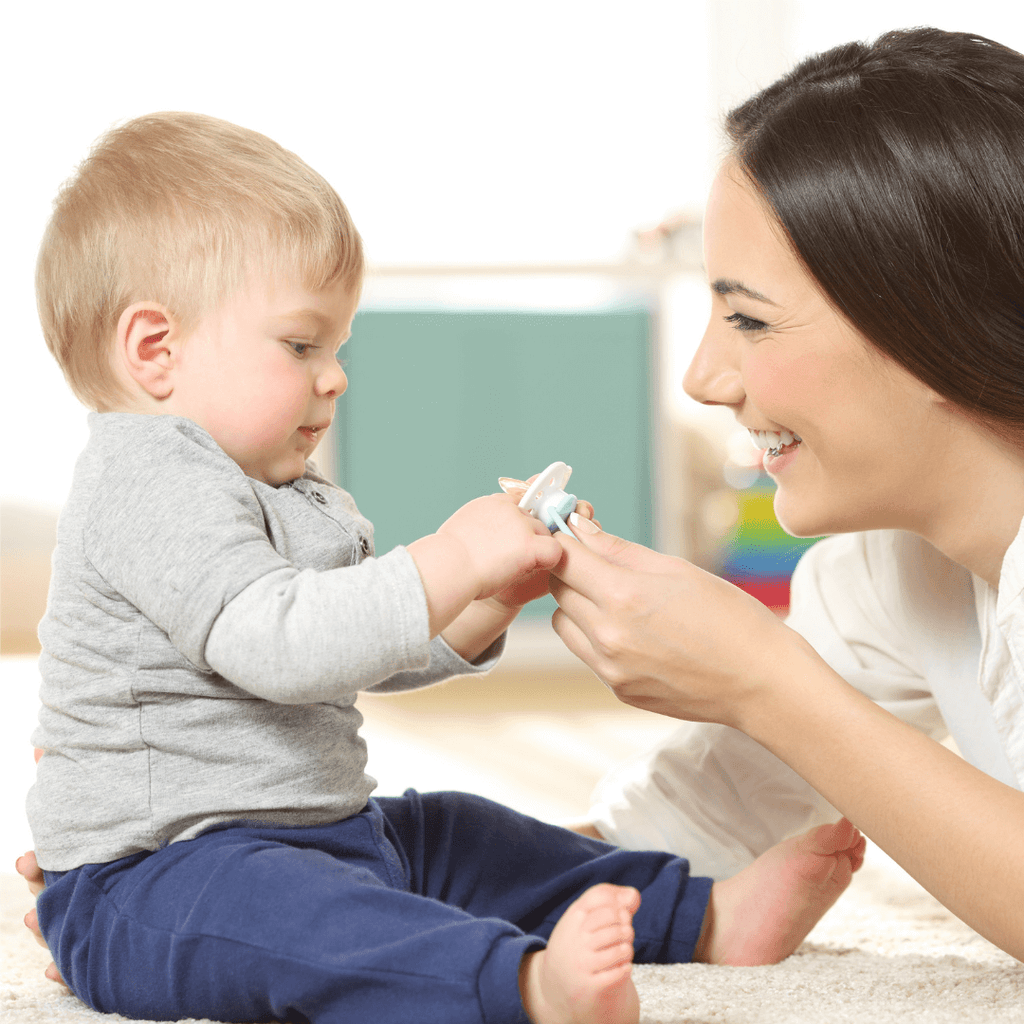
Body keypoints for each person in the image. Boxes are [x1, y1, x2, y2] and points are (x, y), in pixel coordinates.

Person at [14, 111, 865, 1024]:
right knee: (306, 922)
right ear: (155, 351)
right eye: (302, 346)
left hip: (316, 833)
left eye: (336, 348)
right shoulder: (145, 477)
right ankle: (523, 989)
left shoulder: (286, 495)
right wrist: (447, 558)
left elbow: (359, 650)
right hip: (157, 878)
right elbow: (280, 644)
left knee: (461, 833)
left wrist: (484, 599)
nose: (335, 376)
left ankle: (702, 917)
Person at [544, 26, 1024, 963]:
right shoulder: (893, 568)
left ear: (934, 322)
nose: (702, 376)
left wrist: (768, 683)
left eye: (749, 321)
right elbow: (698, 819)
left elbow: (791, 708)